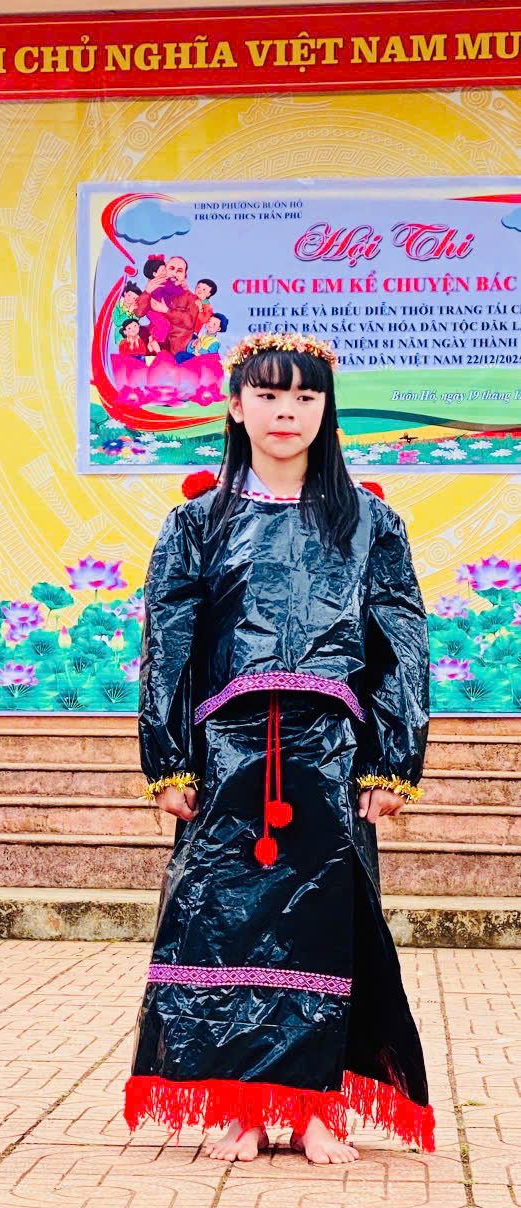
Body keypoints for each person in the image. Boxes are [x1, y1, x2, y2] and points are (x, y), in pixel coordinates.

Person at [126, 331, 435, 1165]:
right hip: (226, 755)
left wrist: (392, 761)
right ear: (235, 407)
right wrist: (167, 759)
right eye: (266, 394)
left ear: (326, 410)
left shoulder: (369, 522)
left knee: (324, 927)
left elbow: (400, 644)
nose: (285, 411)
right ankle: (242, 1107)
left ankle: (313, 1108)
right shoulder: (195, 523)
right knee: (223, 926)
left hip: (329, 754)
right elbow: (168, 648)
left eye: (304, 396)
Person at [135, 255, 198, 355]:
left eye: (180, 271)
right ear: (165, 270)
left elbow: (189, 322)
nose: (174, 273)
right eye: (171, 268)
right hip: (153, 342)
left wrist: (167, 311)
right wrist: (147, 292)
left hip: (175, 348)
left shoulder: (191, 298)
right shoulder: (155, 287)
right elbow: (138, 312)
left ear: (184, 276)